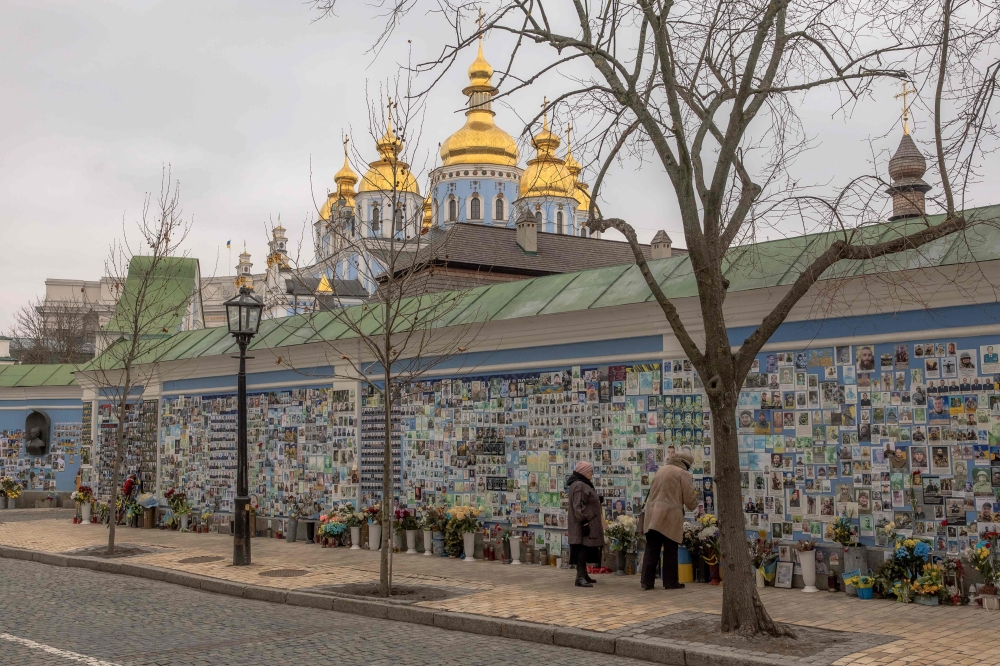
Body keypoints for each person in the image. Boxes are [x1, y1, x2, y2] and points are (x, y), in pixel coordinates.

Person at [640, 451, 697, 591]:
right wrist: (694, 505)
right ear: (687, 463)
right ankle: (670, 582)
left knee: (652, 548)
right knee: (670, 550)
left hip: (652, 514)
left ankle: (646, 582)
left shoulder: (661, 469)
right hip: (669, 515)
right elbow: (690, 498)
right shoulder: (682, 473)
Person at [566, 461, 604, 588]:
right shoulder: (580, 485)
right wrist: (587, 518)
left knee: (585, 548)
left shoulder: (581, 484)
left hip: (584, 524)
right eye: (590, 471)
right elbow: (578, 507)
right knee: (582, 549)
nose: (592, 474)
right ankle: (580, 576)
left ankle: (584, 574)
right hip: (584, 525)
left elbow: (587, 500)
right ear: (583, 472)